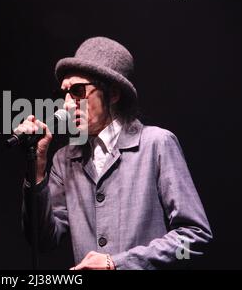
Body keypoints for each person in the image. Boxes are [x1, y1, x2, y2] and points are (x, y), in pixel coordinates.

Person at [19, 37, 212, 270]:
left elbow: (194, 236)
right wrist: (37, 166)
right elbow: (43, 239)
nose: (67, 105)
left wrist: (118, 263)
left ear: (113, 94)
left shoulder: (156, 144)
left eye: (78, 91)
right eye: (66, 93)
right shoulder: (64, 159)